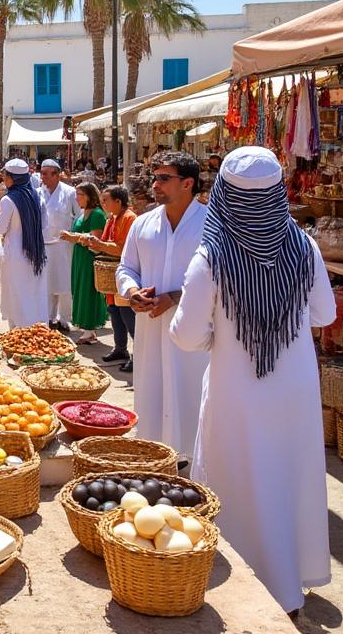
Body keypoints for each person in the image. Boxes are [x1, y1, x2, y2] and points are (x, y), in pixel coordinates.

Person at [169, 146, 336, 615]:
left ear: (223, 193)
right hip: (296, 387)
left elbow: (184, 336)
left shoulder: (212, 255)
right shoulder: (305, 246)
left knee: (239, 480)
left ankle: (245, 589)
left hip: (236, 391)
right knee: (290, 477)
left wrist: (223, 334)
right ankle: (289, 586)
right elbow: (324, 313)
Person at [116, 150, 209, 460]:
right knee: (151, 392)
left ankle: (191, 461)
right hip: (150, 327)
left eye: (164, 179)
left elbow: (222, 279)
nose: (155, 185)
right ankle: (153, 455)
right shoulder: (143, 224)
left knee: (192, 393)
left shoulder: (212, 226)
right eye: (154, 178)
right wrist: (132, 293)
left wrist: (175, 297)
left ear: (188, 184)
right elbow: (125, 268)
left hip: (195, 331)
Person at [0, 159, 49, 327]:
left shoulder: (8, 200)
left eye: (5, 176)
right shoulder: (38, 197)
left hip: (15, 256)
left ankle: (18, 334)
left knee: (16, 294)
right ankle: (35, 331)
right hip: (36, 254)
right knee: (34, 293)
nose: (3, 179)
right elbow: (44, 225)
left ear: (13, 178)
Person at [86, 185, 137, 368]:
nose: (103, 204)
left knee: (127, 315)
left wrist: (100, 244)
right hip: (112, 273)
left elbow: (123, 248)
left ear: (118, 201)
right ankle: (120, 348)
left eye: (106, 201)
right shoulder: (112, 218)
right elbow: (107, 244)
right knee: (115, 312)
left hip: (126, 273)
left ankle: (137, 354)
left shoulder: (130, 219)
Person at [61, 182, 108, 343]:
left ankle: (90, 330)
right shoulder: (82, 213)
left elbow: (95, 237)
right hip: (79, 256)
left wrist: (73, 237)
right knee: (79, 289)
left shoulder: (97, 214)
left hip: (89, 257)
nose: (77, 198)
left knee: (88, 291)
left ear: (89, 196)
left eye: (80, 195)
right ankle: (87, 329)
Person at [38, 159, 80, 333]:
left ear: (56, 174)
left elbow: (79, 216)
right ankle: (48, 317)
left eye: (46, 173)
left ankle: (64, 318)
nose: (43, 177)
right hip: (44, 244)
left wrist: (76, 237)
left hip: (64, 245)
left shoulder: (70, 193)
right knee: (46, 283)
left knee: (64, 283)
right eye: (42, 173)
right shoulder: (37, 192)